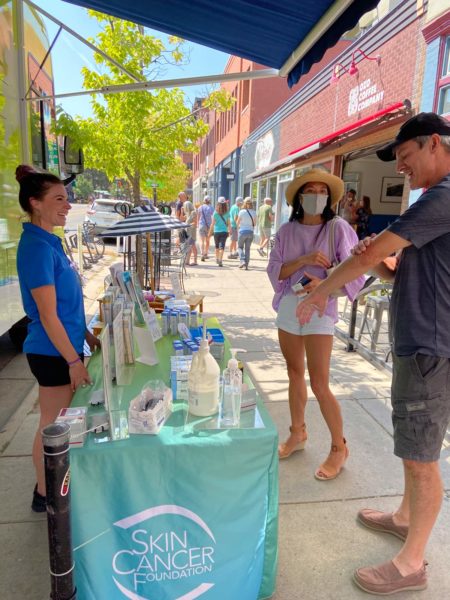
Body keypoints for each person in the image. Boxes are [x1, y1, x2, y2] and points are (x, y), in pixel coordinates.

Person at [297, 112, 450, 595]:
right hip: (419, 340)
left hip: (431, 345)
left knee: (422, 456)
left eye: (405, 158)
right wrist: (384, 265)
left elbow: (361, 259)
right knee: (411, 445)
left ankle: (411, 565)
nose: (401, 169)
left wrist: (321, 290)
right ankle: (405, 518)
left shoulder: (444, 197)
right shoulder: (434, 202)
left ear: (434, 144)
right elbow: (392, 269)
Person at [268, 168, 364, 478]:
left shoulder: (337, 228)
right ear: (299, 197)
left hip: (321, 309)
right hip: (288, 307)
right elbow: (276, 272)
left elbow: (356, 274)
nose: (316, 196)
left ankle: (339, 447)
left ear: (329, 197)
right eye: (309, 190)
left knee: (319, 382)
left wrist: (323, 288)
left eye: (322, 190)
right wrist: (305, 259)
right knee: (294, 373)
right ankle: (298, 432)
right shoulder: (286, 231)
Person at [15, 165, 100, 513]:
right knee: (52, 424)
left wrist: (87, 336)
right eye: (59, 199)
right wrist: (74, 361)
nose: (68, 205)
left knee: (56, 422)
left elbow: (66, 307)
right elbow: (48, 316)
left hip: (62, 346)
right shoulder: (36, 247)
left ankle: (47, 488)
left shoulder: (51, 241)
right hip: (51, 352)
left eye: (68, 199)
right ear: (35, 203)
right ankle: (44, 493)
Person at [209, 197, 230, 267]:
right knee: (222, 247)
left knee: (217, 247)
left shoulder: (215, 213)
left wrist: (209, 232)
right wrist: (229, 231)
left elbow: (212, 224)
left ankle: (217, 259)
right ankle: (220, 260)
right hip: (224, 231)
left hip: (216, 232)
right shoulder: (227, 212)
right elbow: (228, 223)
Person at [236, 197, 256, 270]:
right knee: (247, 249)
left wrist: (239, 228)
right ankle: (246, 265)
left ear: (244, 203)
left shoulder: (241, 212)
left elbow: (237, 223)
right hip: (250, 232)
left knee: (240, 247)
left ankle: (242, 260)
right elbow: (255, 223)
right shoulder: (254, 212)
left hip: (242, 231)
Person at [197, 195, 214, 260]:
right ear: (209, 200)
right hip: (208, 226)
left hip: (201, 225)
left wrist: (198, 225)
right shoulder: (211, 208)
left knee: (201, 241)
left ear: (204, 200)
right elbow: (213, 217)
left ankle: (202, 254)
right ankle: (206, 253)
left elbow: (198, 216)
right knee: (207, 241)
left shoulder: (200, 207)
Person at [183, 200, 198, 265]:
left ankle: (195, 261)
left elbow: (195, 223)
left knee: (193, 246)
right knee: (189, 247)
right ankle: (187, 261)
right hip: (188, 233)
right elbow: (181, 219)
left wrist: (188, 225)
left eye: (185, 206)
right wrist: (181, 212)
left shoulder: (193, 212)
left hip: (191, 233)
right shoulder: (188, 214)